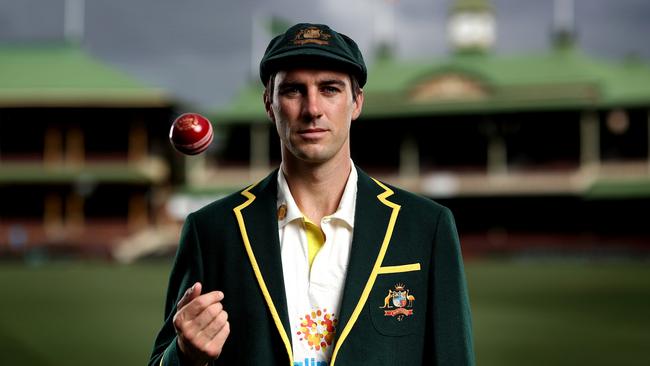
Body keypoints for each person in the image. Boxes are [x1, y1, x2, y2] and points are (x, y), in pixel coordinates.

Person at [149, 22, 474, 366]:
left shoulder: (426, 226)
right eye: (293, 90)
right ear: (269, 104)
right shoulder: (212, 230)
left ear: (357, 102)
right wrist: (184, 355)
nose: (312, 108)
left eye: (330, 89)